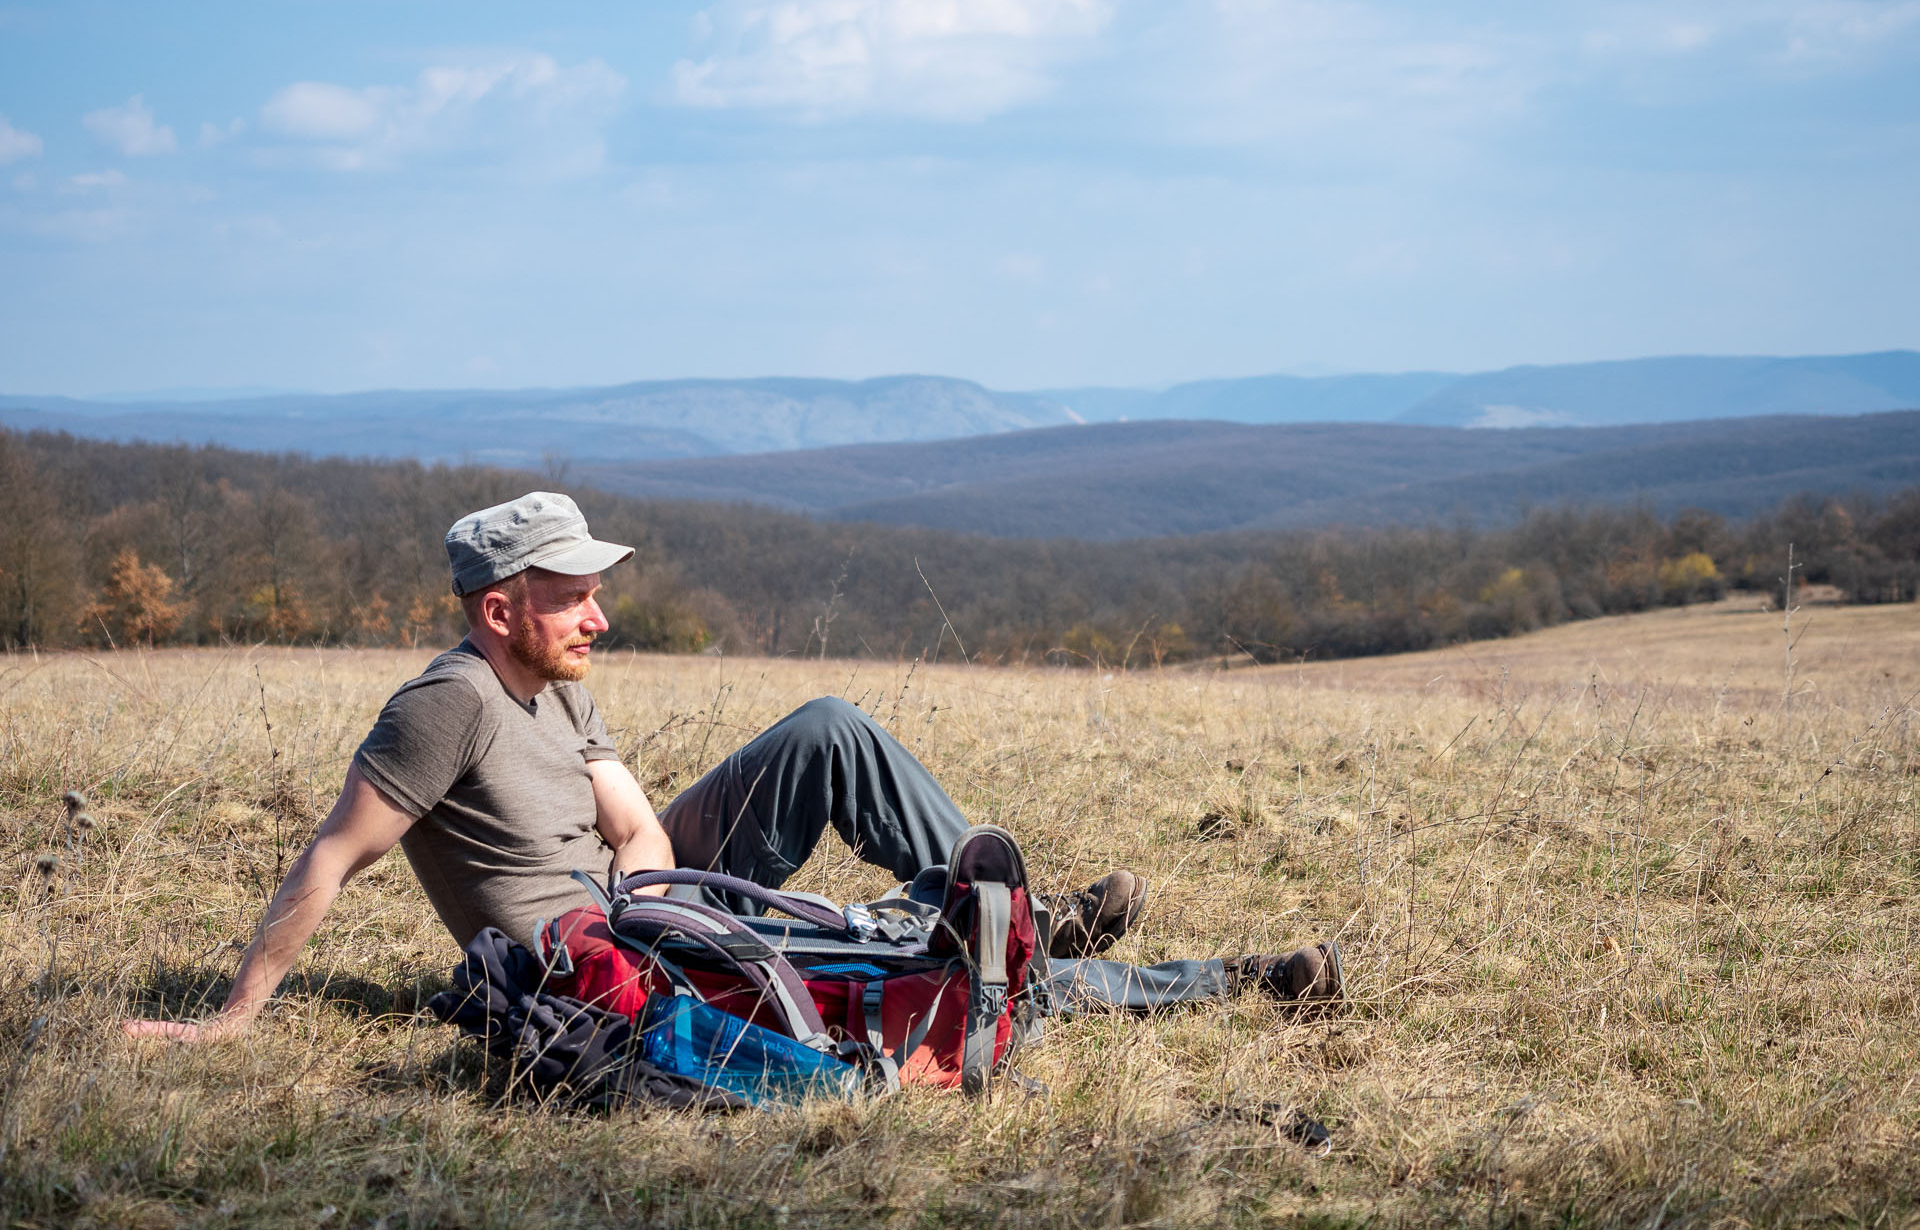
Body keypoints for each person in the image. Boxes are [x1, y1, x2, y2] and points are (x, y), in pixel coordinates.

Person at [124, 492, 1340, 1043]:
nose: (599, 614)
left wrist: (668, 887)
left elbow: (638, 825)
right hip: (603, 957)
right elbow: (334, 851)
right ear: (500, 607)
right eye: (573, 596)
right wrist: (233, 1020)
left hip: (648, 902)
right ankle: (1223, 979)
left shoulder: (561, 687)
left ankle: (1005, 905)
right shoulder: (445, 705)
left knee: (827, 725)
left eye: (599, 592)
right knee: (913, 977)